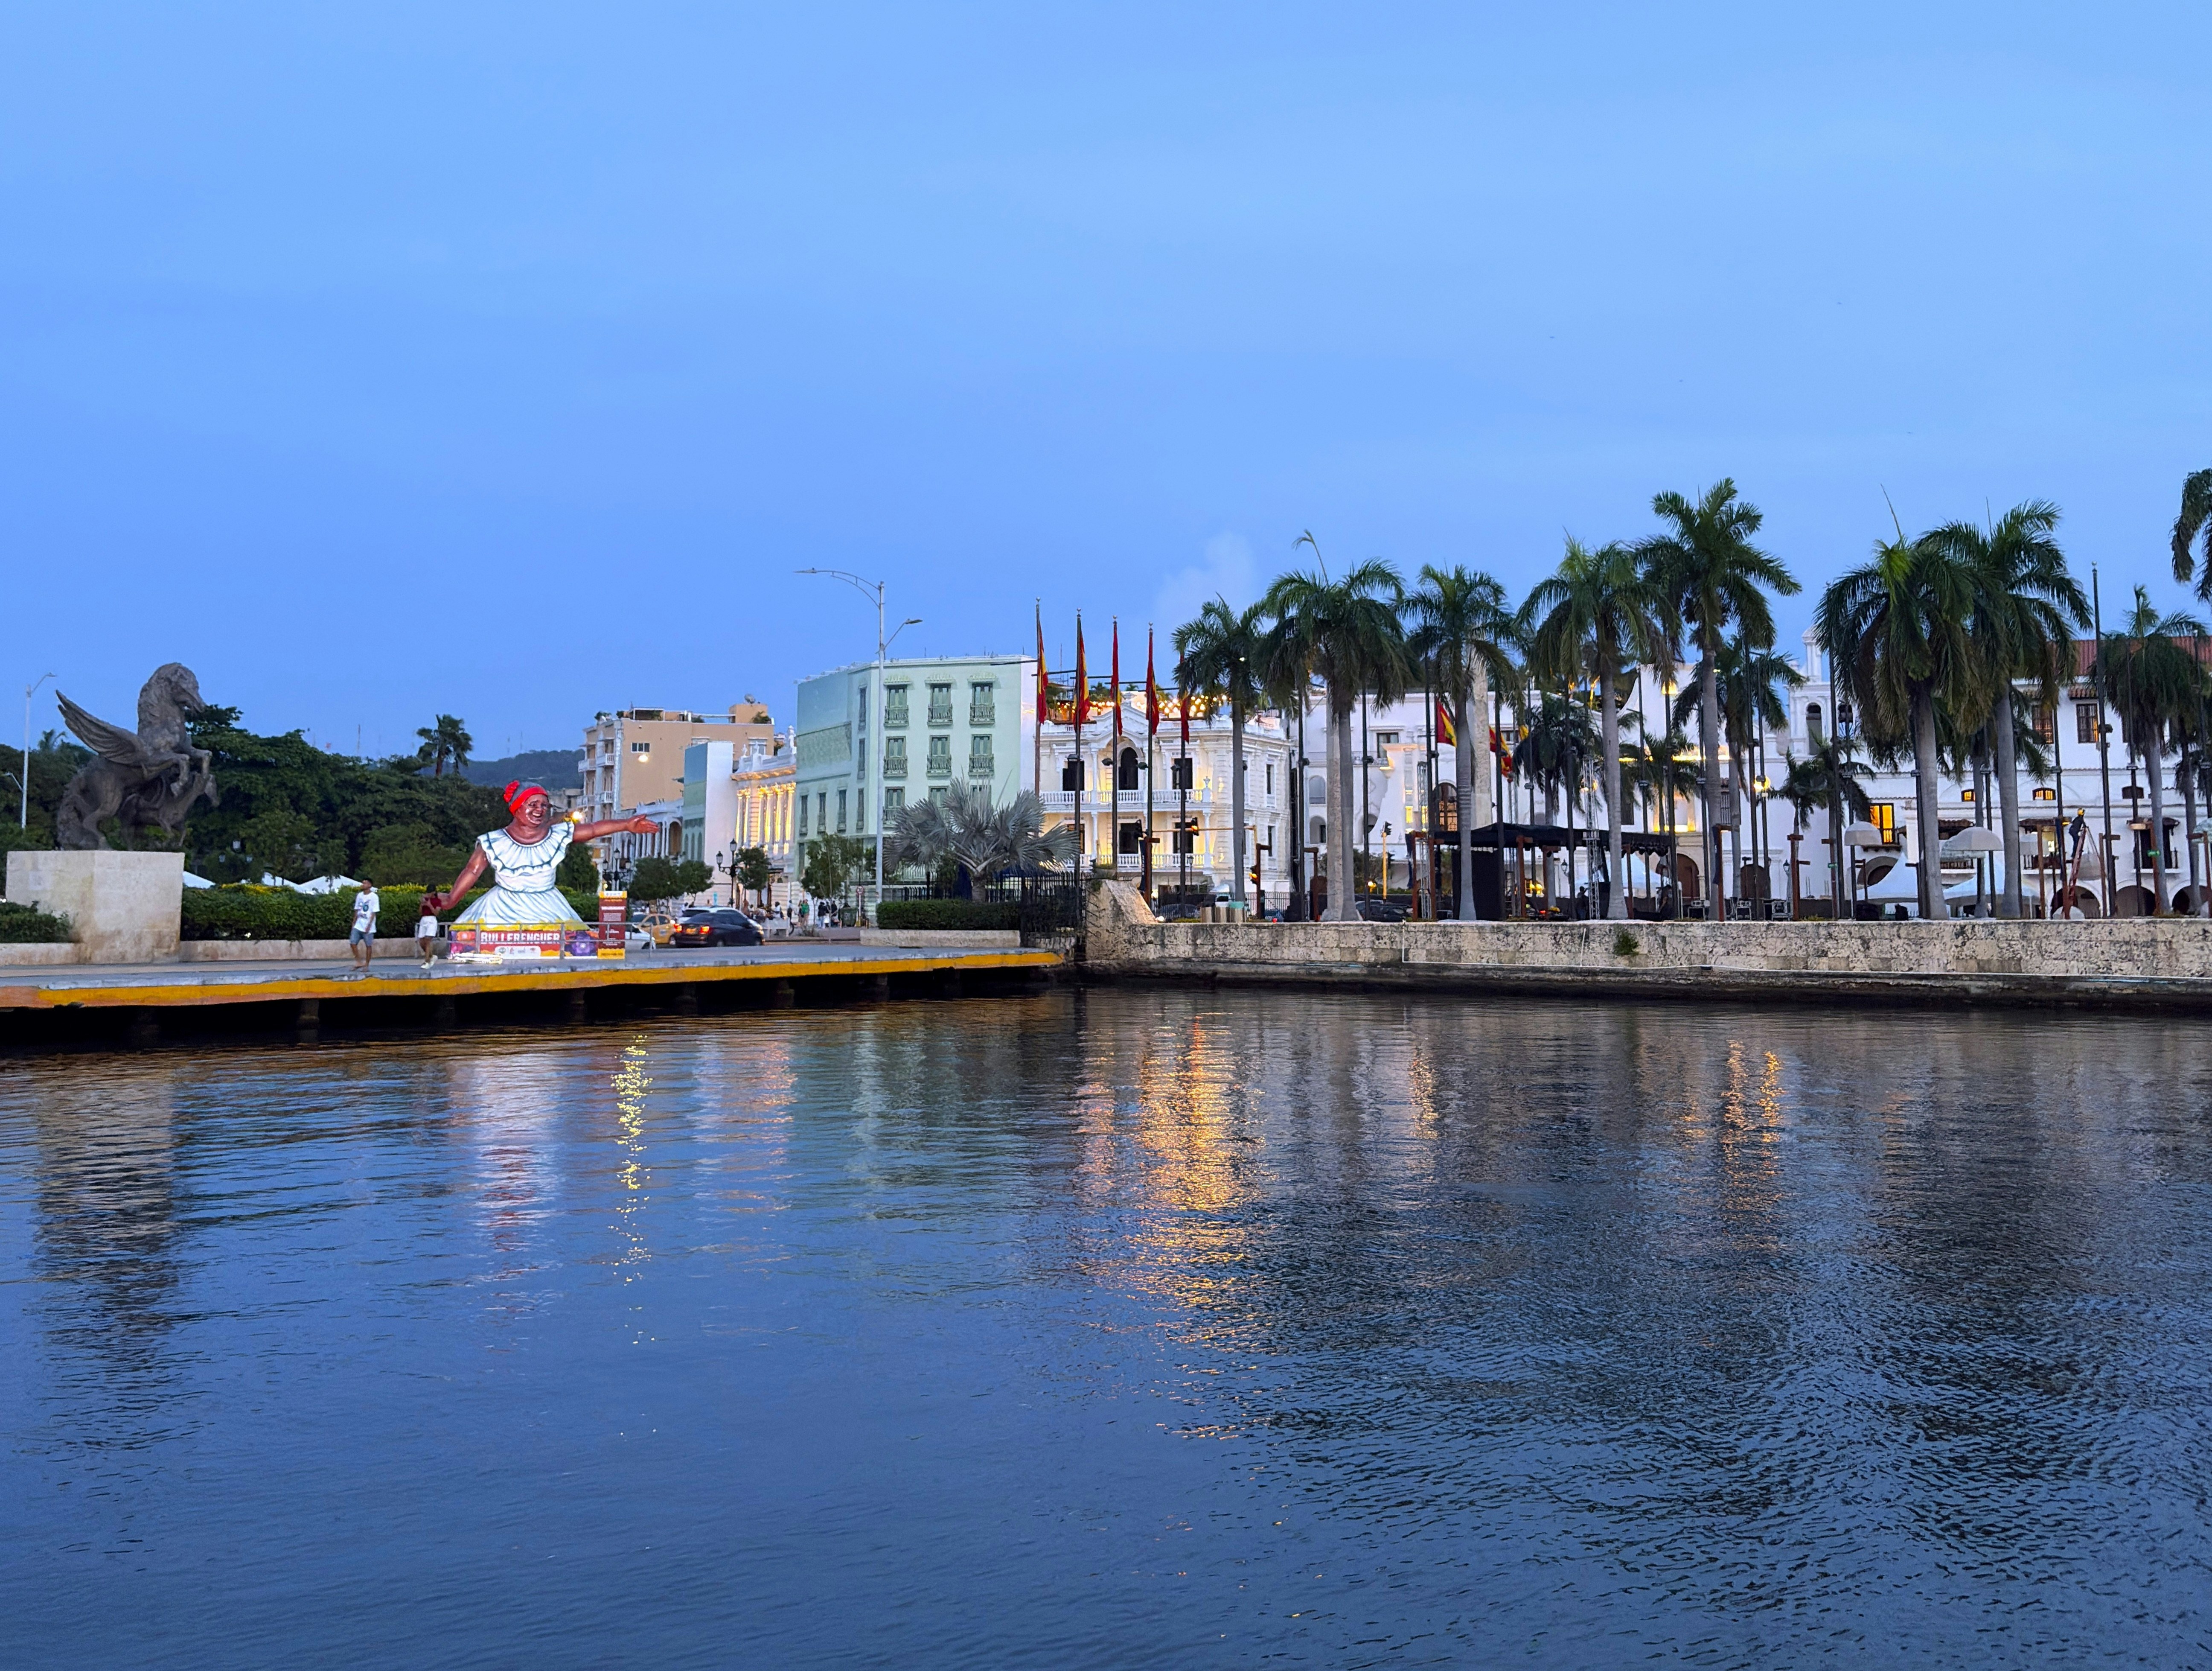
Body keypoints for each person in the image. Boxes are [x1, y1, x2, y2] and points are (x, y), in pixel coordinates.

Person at [438, 782, 657, 933]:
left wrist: (627, 825)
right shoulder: (494, 841)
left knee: (570, 942)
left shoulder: (557, 834)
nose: (539, 810)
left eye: (544, 805)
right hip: (501, 907)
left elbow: (592, 829)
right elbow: (473, 871)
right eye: (532, 805)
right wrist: (451, 899)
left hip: (549, 906)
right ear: (517, 808)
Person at [349, 877, 381, 970]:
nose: (363, 885)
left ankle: (367, 965)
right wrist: (354, 922)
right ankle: (359, 961)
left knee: (368, 945)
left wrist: (369, 925)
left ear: (370, 885)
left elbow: (373, 912)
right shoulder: (359, 896)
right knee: (353, 942)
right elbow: (357, 909)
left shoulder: (374, 897)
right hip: (359, 923)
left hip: (368, 925)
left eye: (365, 883)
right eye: (363, 883)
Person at [417, 889, 442, 970]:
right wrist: (422, 905)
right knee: (421, 941)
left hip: (432, 920)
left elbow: (436, 913)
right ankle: (431, 956)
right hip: (424, 920)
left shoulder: (438, 901)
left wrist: (430, 905)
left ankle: (427, 961)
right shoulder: (425, 900)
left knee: (428, 940)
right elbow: (420, 912)